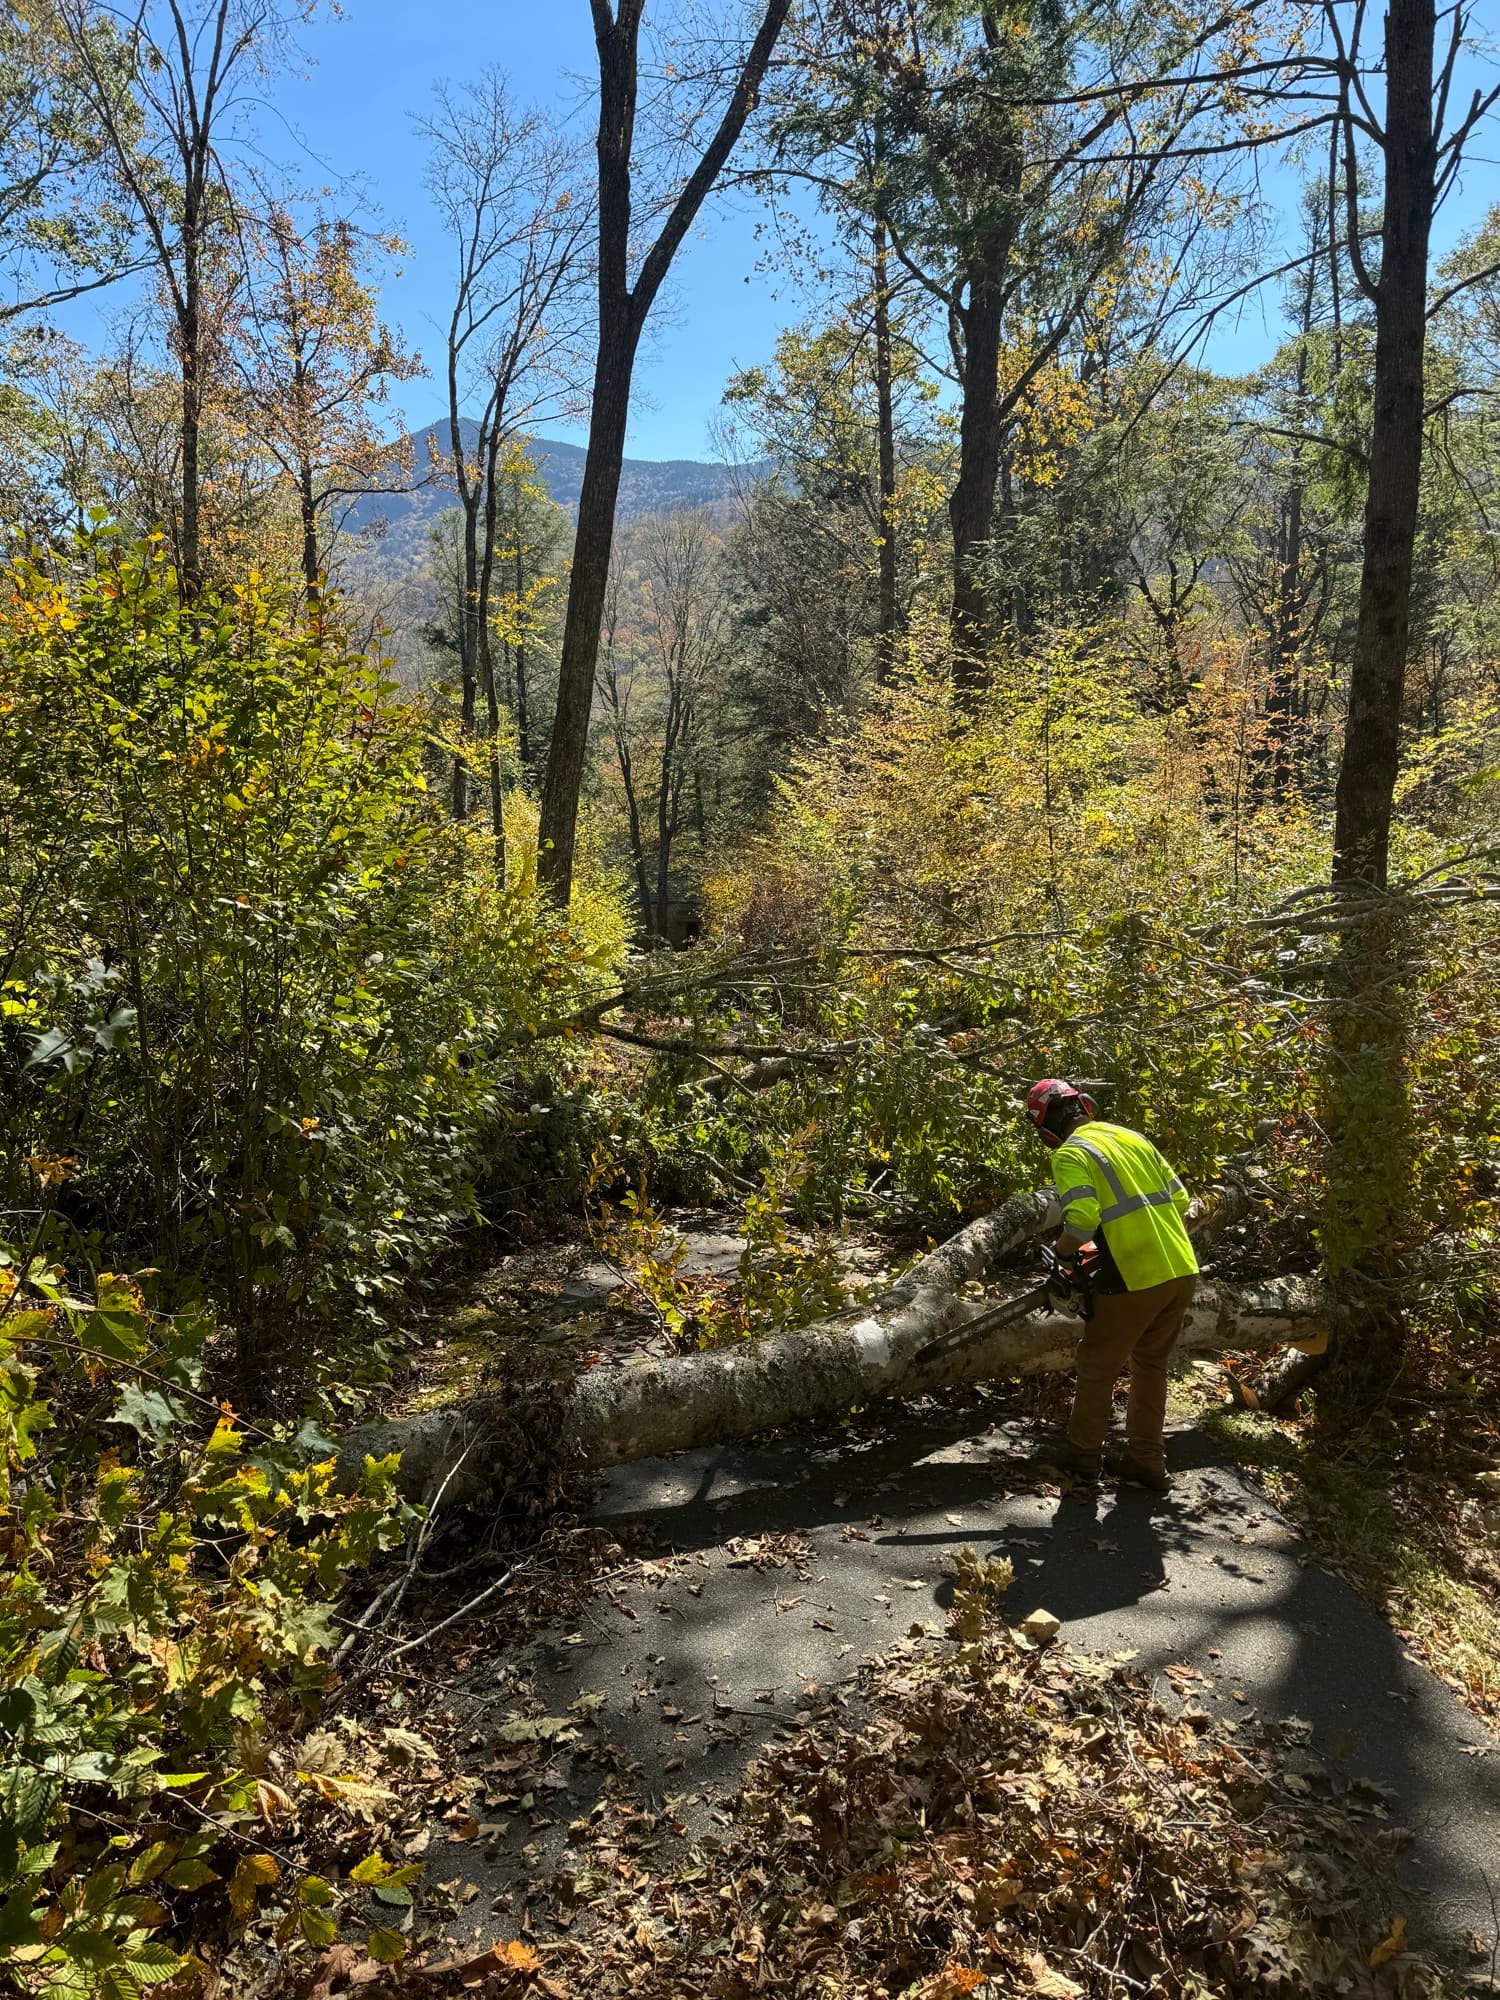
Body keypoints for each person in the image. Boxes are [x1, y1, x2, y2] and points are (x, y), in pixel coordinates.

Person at [1025, 1079, 1200, 1493]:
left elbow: (1082, 1220)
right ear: (1083, 1104)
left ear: (1046, 1129)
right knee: (1151, 1363)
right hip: (1181, 1267)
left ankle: (1083, 1457)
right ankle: (1146, 1459)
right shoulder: (1132, 1137)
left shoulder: (1072, 1154)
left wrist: (1065, 1253)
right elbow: (1180, 1200)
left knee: (1097, 1366)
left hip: (1135, 1274)